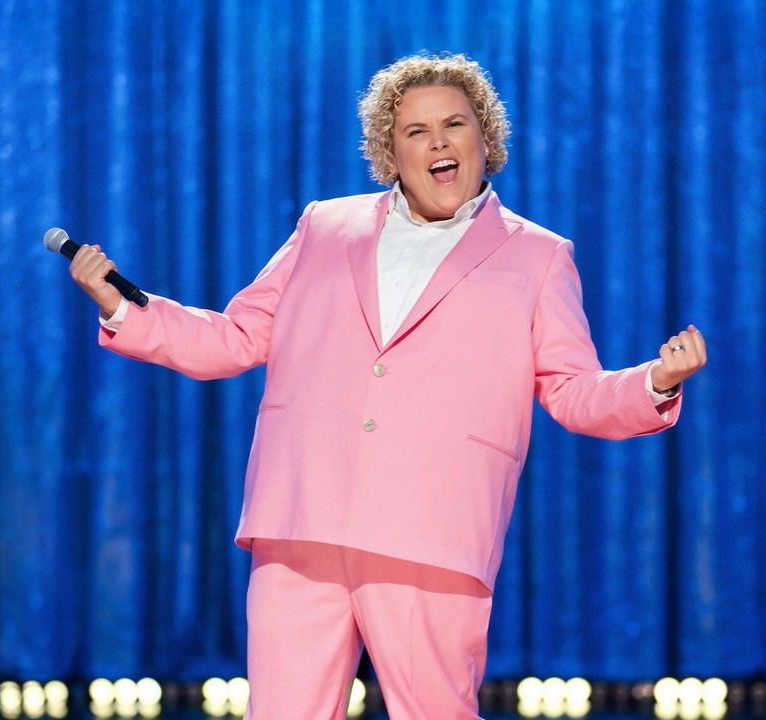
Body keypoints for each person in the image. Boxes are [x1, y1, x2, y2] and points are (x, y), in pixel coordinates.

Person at [67, 53, 707, 720]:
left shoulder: (538, 256)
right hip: (301, 519)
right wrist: (120, 306)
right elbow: (234, 337)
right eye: (416, 131)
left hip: (431, 529)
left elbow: (572, 390)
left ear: (484, 138)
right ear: (389, 153)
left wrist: (655, 381)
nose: (438, 143)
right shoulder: (324, 226)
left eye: (455, 124)